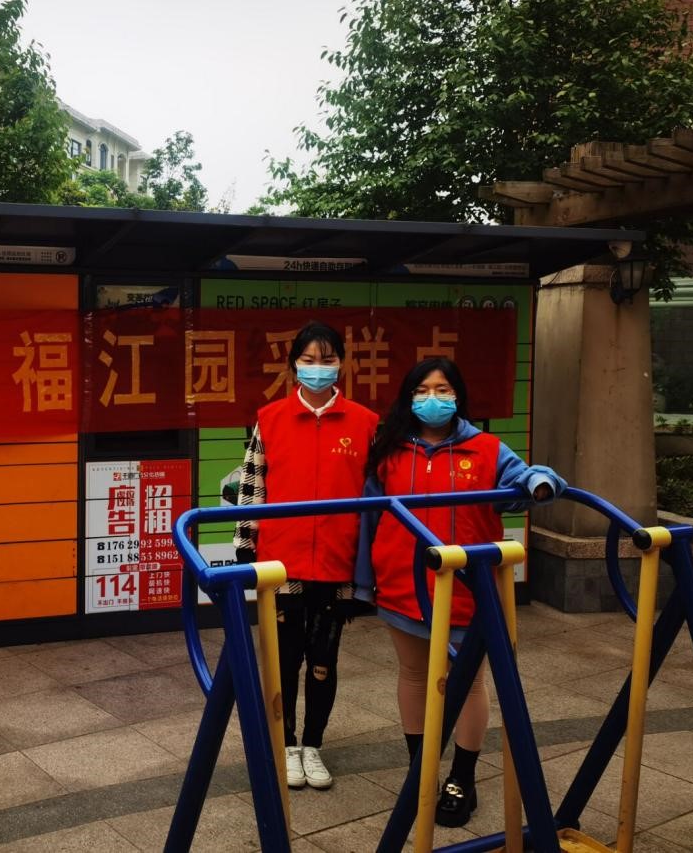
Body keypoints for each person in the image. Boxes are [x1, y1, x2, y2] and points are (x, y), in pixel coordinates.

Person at [354, 357, 564, 827]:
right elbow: (370, 517)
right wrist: (364, 582)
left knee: (467, 683)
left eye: (443, 389)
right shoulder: (389, 450)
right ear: (409, 398)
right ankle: (421, 772)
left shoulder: (487, 449)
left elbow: (525, 481)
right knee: (414, 675)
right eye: (422, 390)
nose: (432, 398)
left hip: (470, 590)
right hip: (403, 586)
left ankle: (461, 778)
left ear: (458, 396)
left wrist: (540, 483)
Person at [233, 322, 379, 790]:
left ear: (342, 364)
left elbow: (376, 499)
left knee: (323, 660)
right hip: (281, 565)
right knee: (284, 660)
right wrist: (246, 557)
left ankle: (313, 745)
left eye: (328, 359)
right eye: (309, 360)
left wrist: (370, 568)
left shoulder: (365, 423)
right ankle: (287, 743)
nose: (319, 368)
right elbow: (251, 488)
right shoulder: (270, 419)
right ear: (294, 365)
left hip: (337, 565)